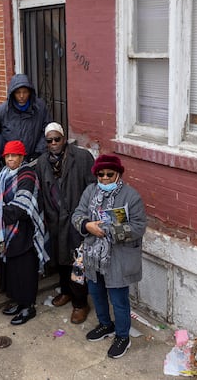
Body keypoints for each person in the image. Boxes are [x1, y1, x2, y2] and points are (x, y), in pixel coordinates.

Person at [71, 154, 147, 359]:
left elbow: (139, 227)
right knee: (96, 293)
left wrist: (111, 230)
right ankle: (106, 324)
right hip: (93, 256)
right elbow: (77, 214)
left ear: (118, 174)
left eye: (109, 174)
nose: (104, 178)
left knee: (119, 299)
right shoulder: (90, 191)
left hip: (118, 257)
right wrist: (87, 225)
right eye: (101, 174)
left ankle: (123, 336)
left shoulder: (131, 196)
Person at [0, 140, 49, 325]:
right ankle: (18, 302)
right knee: (12, 270)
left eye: (14, 156)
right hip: (7, 231)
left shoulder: (27, 174)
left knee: (25, 270)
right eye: (8, 156)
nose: (10, 159)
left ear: (21, 157)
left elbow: (23, 205)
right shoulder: (2, 174)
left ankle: (28, 307)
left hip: (23, 231)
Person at [36, 122, 96, 324]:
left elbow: (92, 189)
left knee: (77, 263)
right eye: (49, 140)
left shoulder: (81, 157)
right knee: (61, 260)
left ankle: (81, 303)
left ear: (63, 138)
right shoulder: (42, 162)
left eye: (57, 139)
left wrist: (86, 216)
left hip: (77, 220)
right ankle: (66, 291)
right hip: (55, 220)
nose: (53, 143)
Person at [0, 74, 52, 162]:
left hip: (34, 158)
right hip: (10, 160)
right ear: (12, 93)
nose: (22, 96)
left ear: (30, 92)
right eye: (18, 92)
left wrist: (39, 151)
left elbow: (47, 130)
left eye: (25, 92)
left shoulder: (40, 108)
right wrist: (4, 154)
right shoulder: (1, 111)